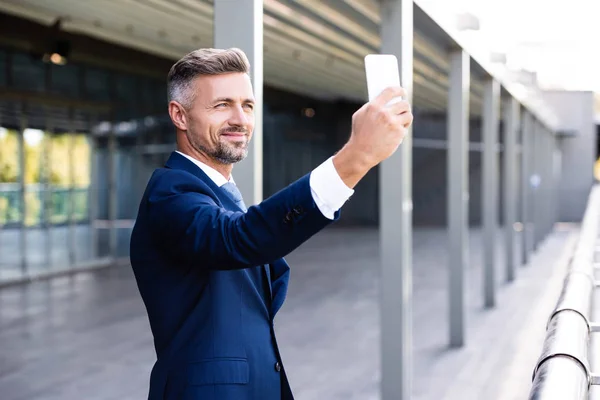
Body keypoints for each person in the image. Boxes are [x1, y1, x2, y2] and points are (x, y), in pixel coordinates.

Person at [130, 47, 413, 400]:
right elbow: (239, 238)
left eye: (247, 105)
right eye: (222, 105)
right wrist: (356, 157)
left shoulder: (221, 194)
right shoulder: (169, 193)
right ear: (180, 115)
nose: (240, 119)